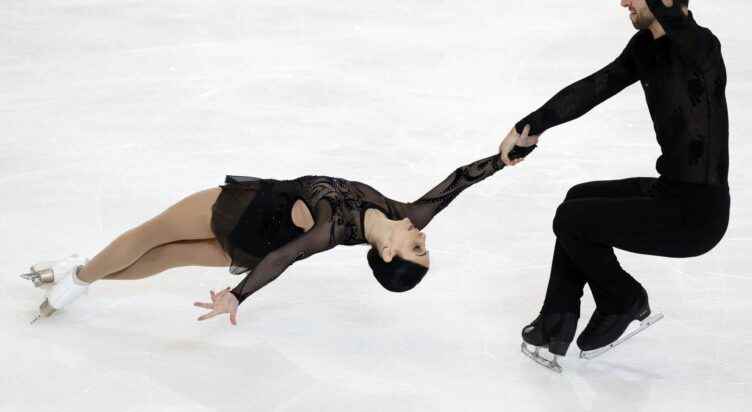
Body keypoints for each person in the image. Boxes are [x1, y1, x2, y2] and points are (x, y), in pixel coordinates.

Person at [498, 0, 730, 371]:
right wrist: (530, 127)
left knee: (573, 221)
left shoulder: (702, 48)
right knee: (578, 199)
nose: (624, 2)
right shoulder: (646, 47)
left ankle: (622, 299)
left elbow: (679, 26)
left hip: (698, 215)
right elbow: (595, 87)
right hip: (671, 192)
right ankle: (556, 322)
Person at [28, 140, 535, 324]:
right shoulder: (409, 214)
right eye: (424, 247)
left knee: (151, 238)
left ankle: (79, 276)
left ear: (385, 251)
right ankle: (81, 277)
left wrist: (240, 296)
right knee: (166, 257)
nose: (423, 238)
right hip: (251, 246)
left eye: (416, 249)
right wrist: (503, 158)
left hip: (239, 213)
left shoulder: (335, 227)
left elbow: (288, 258)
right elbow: (457, 183)